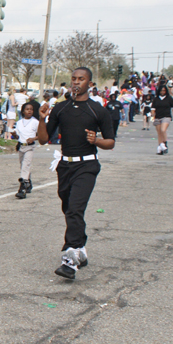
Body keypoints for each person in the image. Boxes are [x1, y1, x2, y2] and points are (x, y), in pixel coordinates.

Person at [37, 67, 115, 280]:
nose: (76, 82)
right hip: (65, 165)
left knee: (74, 209)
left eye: (81, 79)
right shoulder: (60, 108)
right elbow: (44, 139)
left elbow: (110, 142)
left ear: (89, 84)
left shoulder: (97, 110)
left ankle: (69, 260)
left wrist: (96, 141)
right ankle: (80, 249)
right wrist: (42, 119)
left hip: (87, 166)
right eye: (73, 79)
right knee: (68, 208)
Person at [14, 102, 39, 199]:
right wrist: (15, 135)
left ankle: (22, 189)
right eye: (27, 109)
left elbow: (41, 134)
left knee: (26, 165)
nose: (29, 111)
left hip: (30, 147)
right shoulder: (19, 122)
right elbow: (18, 134)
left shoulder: (35, 122)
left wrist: (33, 138)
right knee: (23, 166)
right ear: (23, 111)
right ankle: (28, 182)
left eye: (31, 109)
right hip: (21, 146)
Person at [152, 84, 173, 155]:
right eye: (161, 91)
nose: (163, 92)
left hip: (166, 116)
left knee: (163, 130)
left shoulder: (169, 98)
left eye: (164, 91)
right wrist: (153, 115)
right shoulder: (156, 99)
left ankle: (164, 143)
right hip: (158, 117)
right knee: (159, 133)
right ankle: (160, 147)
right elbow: (153, 109)